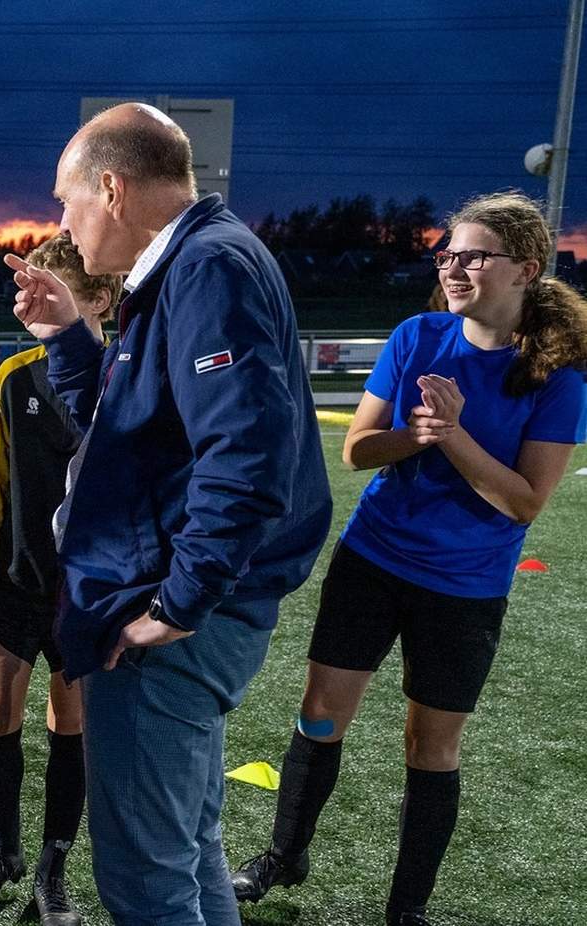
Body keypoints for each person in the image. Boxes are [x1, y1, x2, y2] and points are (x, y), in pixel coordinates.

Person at [6, 102, 332, 925]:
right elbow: (131, 431)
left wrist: (177, 604)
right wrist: (68, 340)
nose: (63, 223)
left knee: (148, 883)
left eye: (65, 201)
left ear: (110, 189)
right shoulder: (186, 265)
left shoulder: (206, 267)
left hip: (178, 612)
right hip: (188, 600)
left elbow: (246, 457)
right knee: (190, 855)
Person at [230, 192, 587, 926]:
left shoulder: (557, 379)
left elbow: (522, 503)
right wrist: (416, 434)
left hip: (465, 588)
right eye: (447, 254)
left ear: (524, 269)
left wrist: (451, 435)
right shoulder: (417, 336)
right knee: (320, 717)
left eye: (473, 256)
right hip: (374, 559)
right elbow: (358, 449)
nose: (454, 267)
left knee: (431, 745)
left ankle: (407, 905)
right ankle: (282, 855)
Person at [0, 232, 122, 925]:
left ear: (104, 298)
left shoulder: (125, 377)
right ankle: (4, 852)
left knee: (69, 720)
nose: (36, 305)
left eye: (57, 293)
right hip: (17, 579)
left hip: (88, 589)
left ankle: (52, 871)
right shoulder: (14, 376)